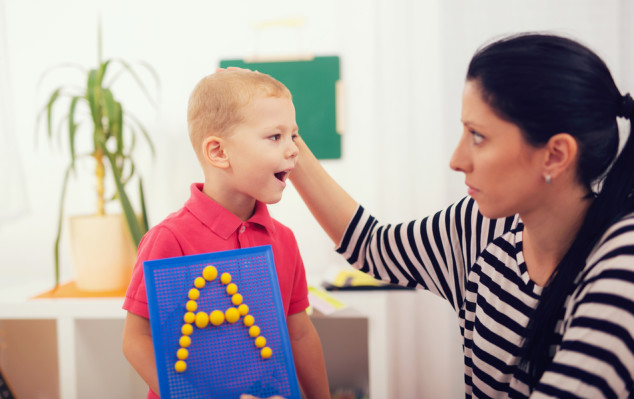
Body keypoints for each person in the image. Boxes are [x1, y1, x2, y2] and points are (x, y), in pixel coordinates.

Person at [288, 32, 634, 398]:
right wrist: (286, 139)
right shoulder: (485, 226)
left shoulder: (621, 264)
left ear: (555, 155)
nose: (456, 160)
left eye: (478, 136)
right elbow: (373, 247)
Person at [121, 69, 330, 399]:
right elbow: (136, 340)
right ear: (218, 152)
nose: (293, 150)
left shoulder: (284, 240)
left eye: (294, 136)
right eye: (275, 137)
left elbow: (299, 333)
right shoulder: (168, 239)